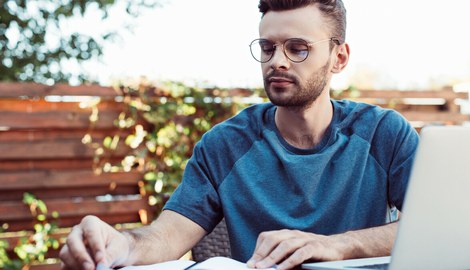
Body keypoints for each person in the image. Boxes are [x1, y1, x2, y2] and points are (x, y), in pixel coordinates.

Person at [59, 0, 419, 269]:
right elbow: (167, 235)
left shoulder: (383, 133)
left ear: (338, 58)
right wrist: (118, 244)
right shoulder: (225, 144)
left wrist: (338, 245)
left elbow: (433, 229)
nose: (277, 60)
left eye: (297, 48)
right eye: (268, 47)